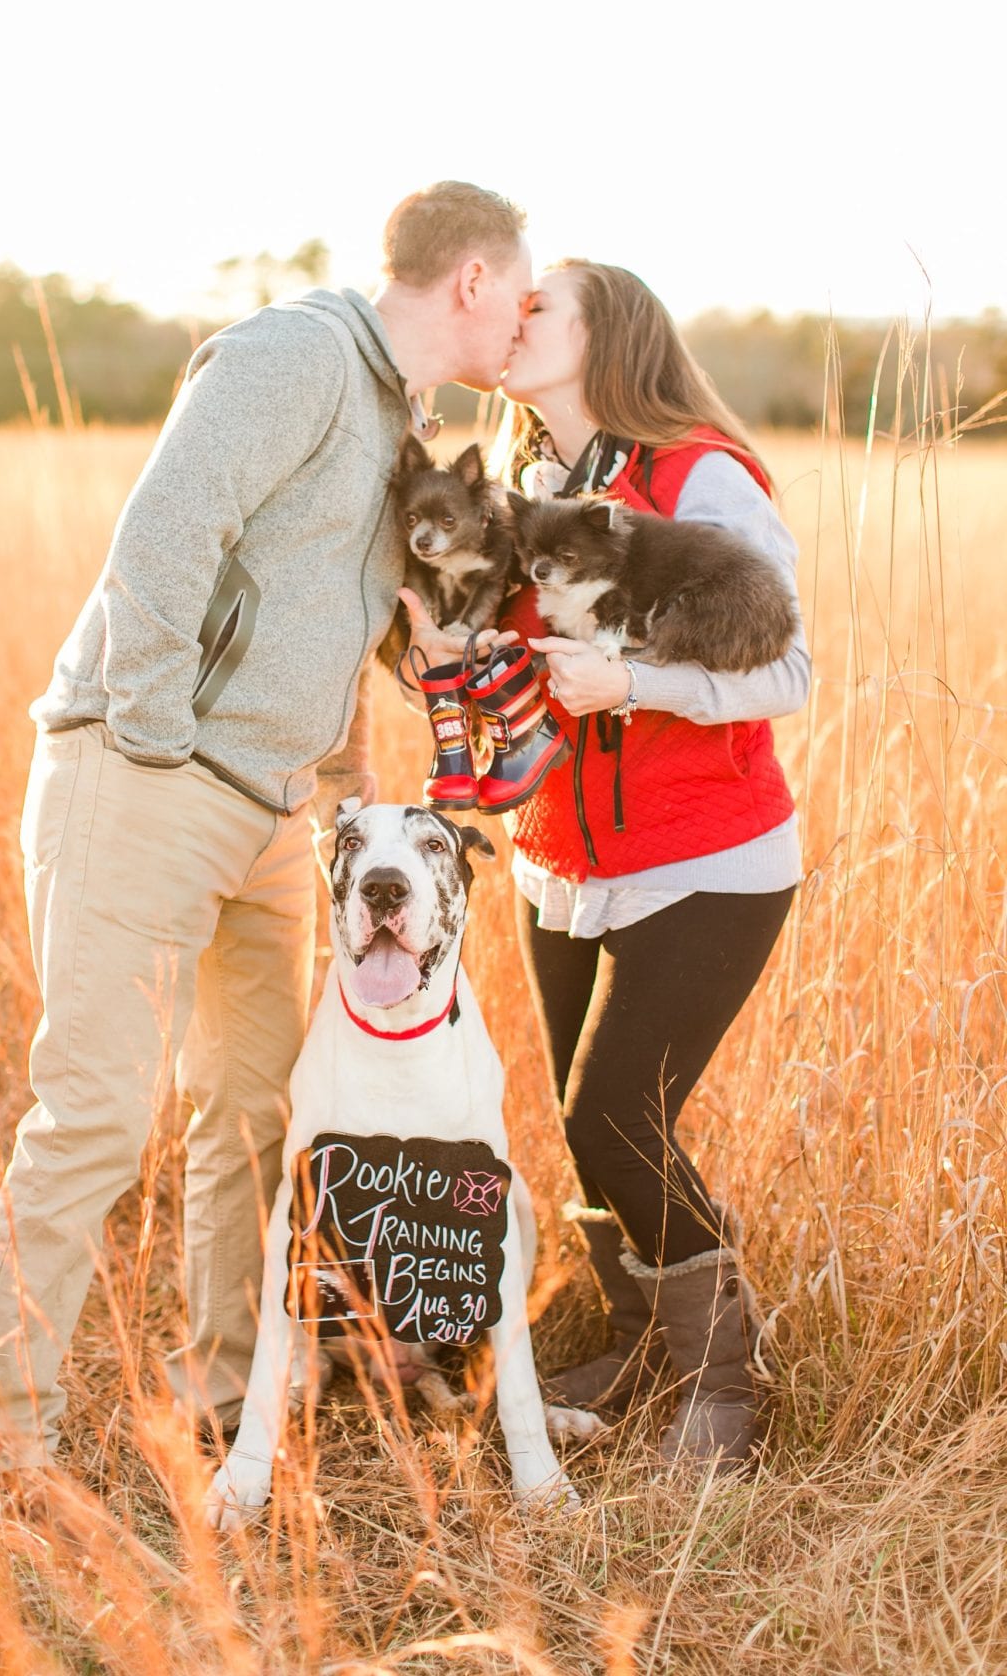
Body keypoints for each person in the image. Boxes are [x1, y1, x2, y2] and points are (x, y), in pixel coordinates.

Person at [0, 181, 535, 1479]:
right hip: (148, 778)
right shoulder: (298, 356)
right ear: (470, 282)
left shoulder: (399, 422)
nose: (526, 317)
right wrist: (153, 740)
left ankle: (220, 1397)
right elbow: (166, 531)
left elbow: (329, 622)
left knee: (250, 1111)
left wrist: (345, 798)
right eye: (520, 288)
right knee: (96, 1110)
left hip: (268, 815)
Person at [414, 260, 809, 1470]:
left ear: (611, 337)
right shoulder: (529, 485)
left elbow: (789, 671)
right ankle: (646, 1347)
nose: (513, 319)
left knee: (614, 1116)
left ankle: (722, 1398)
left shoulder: (702, 475)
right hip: (559, 863)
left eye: (543, 308)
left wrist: (636, 684)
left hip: (710, 858)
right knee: (590, 1129)